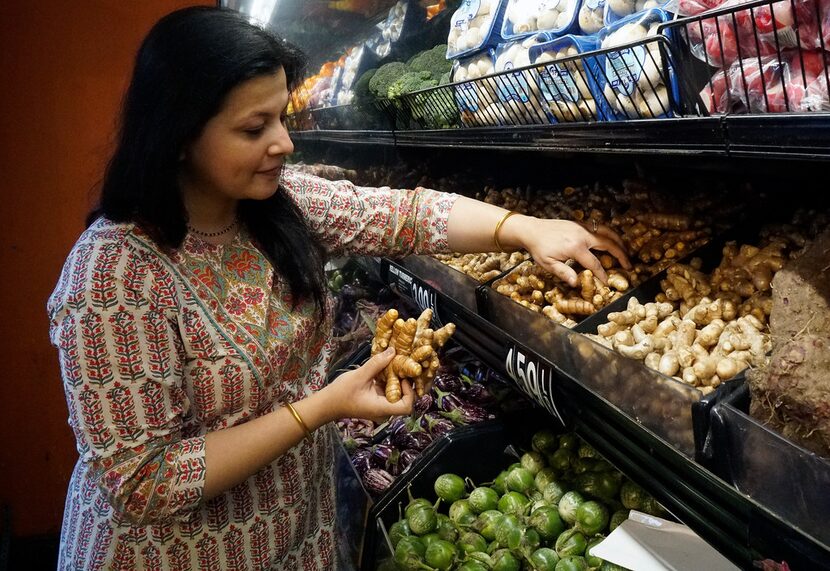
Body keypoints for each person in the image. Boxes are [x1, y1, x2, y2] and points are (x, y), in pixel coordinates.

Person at [47, 6, 630, 570]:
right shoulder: (113, 276)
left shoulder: (276, 206)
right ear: (178, 135)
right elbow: (146, 481)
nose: (284, 143)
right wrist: (324, 406)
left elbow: (404, 215)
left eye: (282, 116)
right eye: (255, 128)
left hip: (296, 534)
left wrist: (525, 229)